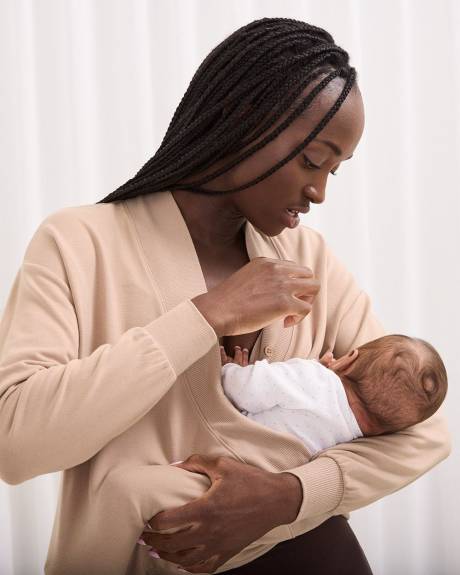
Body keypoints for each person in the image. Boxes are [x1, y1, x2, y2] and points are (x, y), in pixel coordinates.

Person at [0, 17, 450, 575]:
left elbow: (423, 431)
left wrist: (287, 496)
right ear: (246, 120)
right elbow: (15, 444)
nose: (320, 191)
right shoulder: (78, 244)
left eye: (334, 170)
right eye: (313, 160)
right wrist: (206, 316)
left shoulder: (309, 263)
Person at [220, 335, 448, 453]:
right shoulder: (348, 442)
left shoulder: (313, 377)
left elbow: (243, 390)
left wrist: (232, 370)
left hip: (226, 446)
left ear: (349, 359)